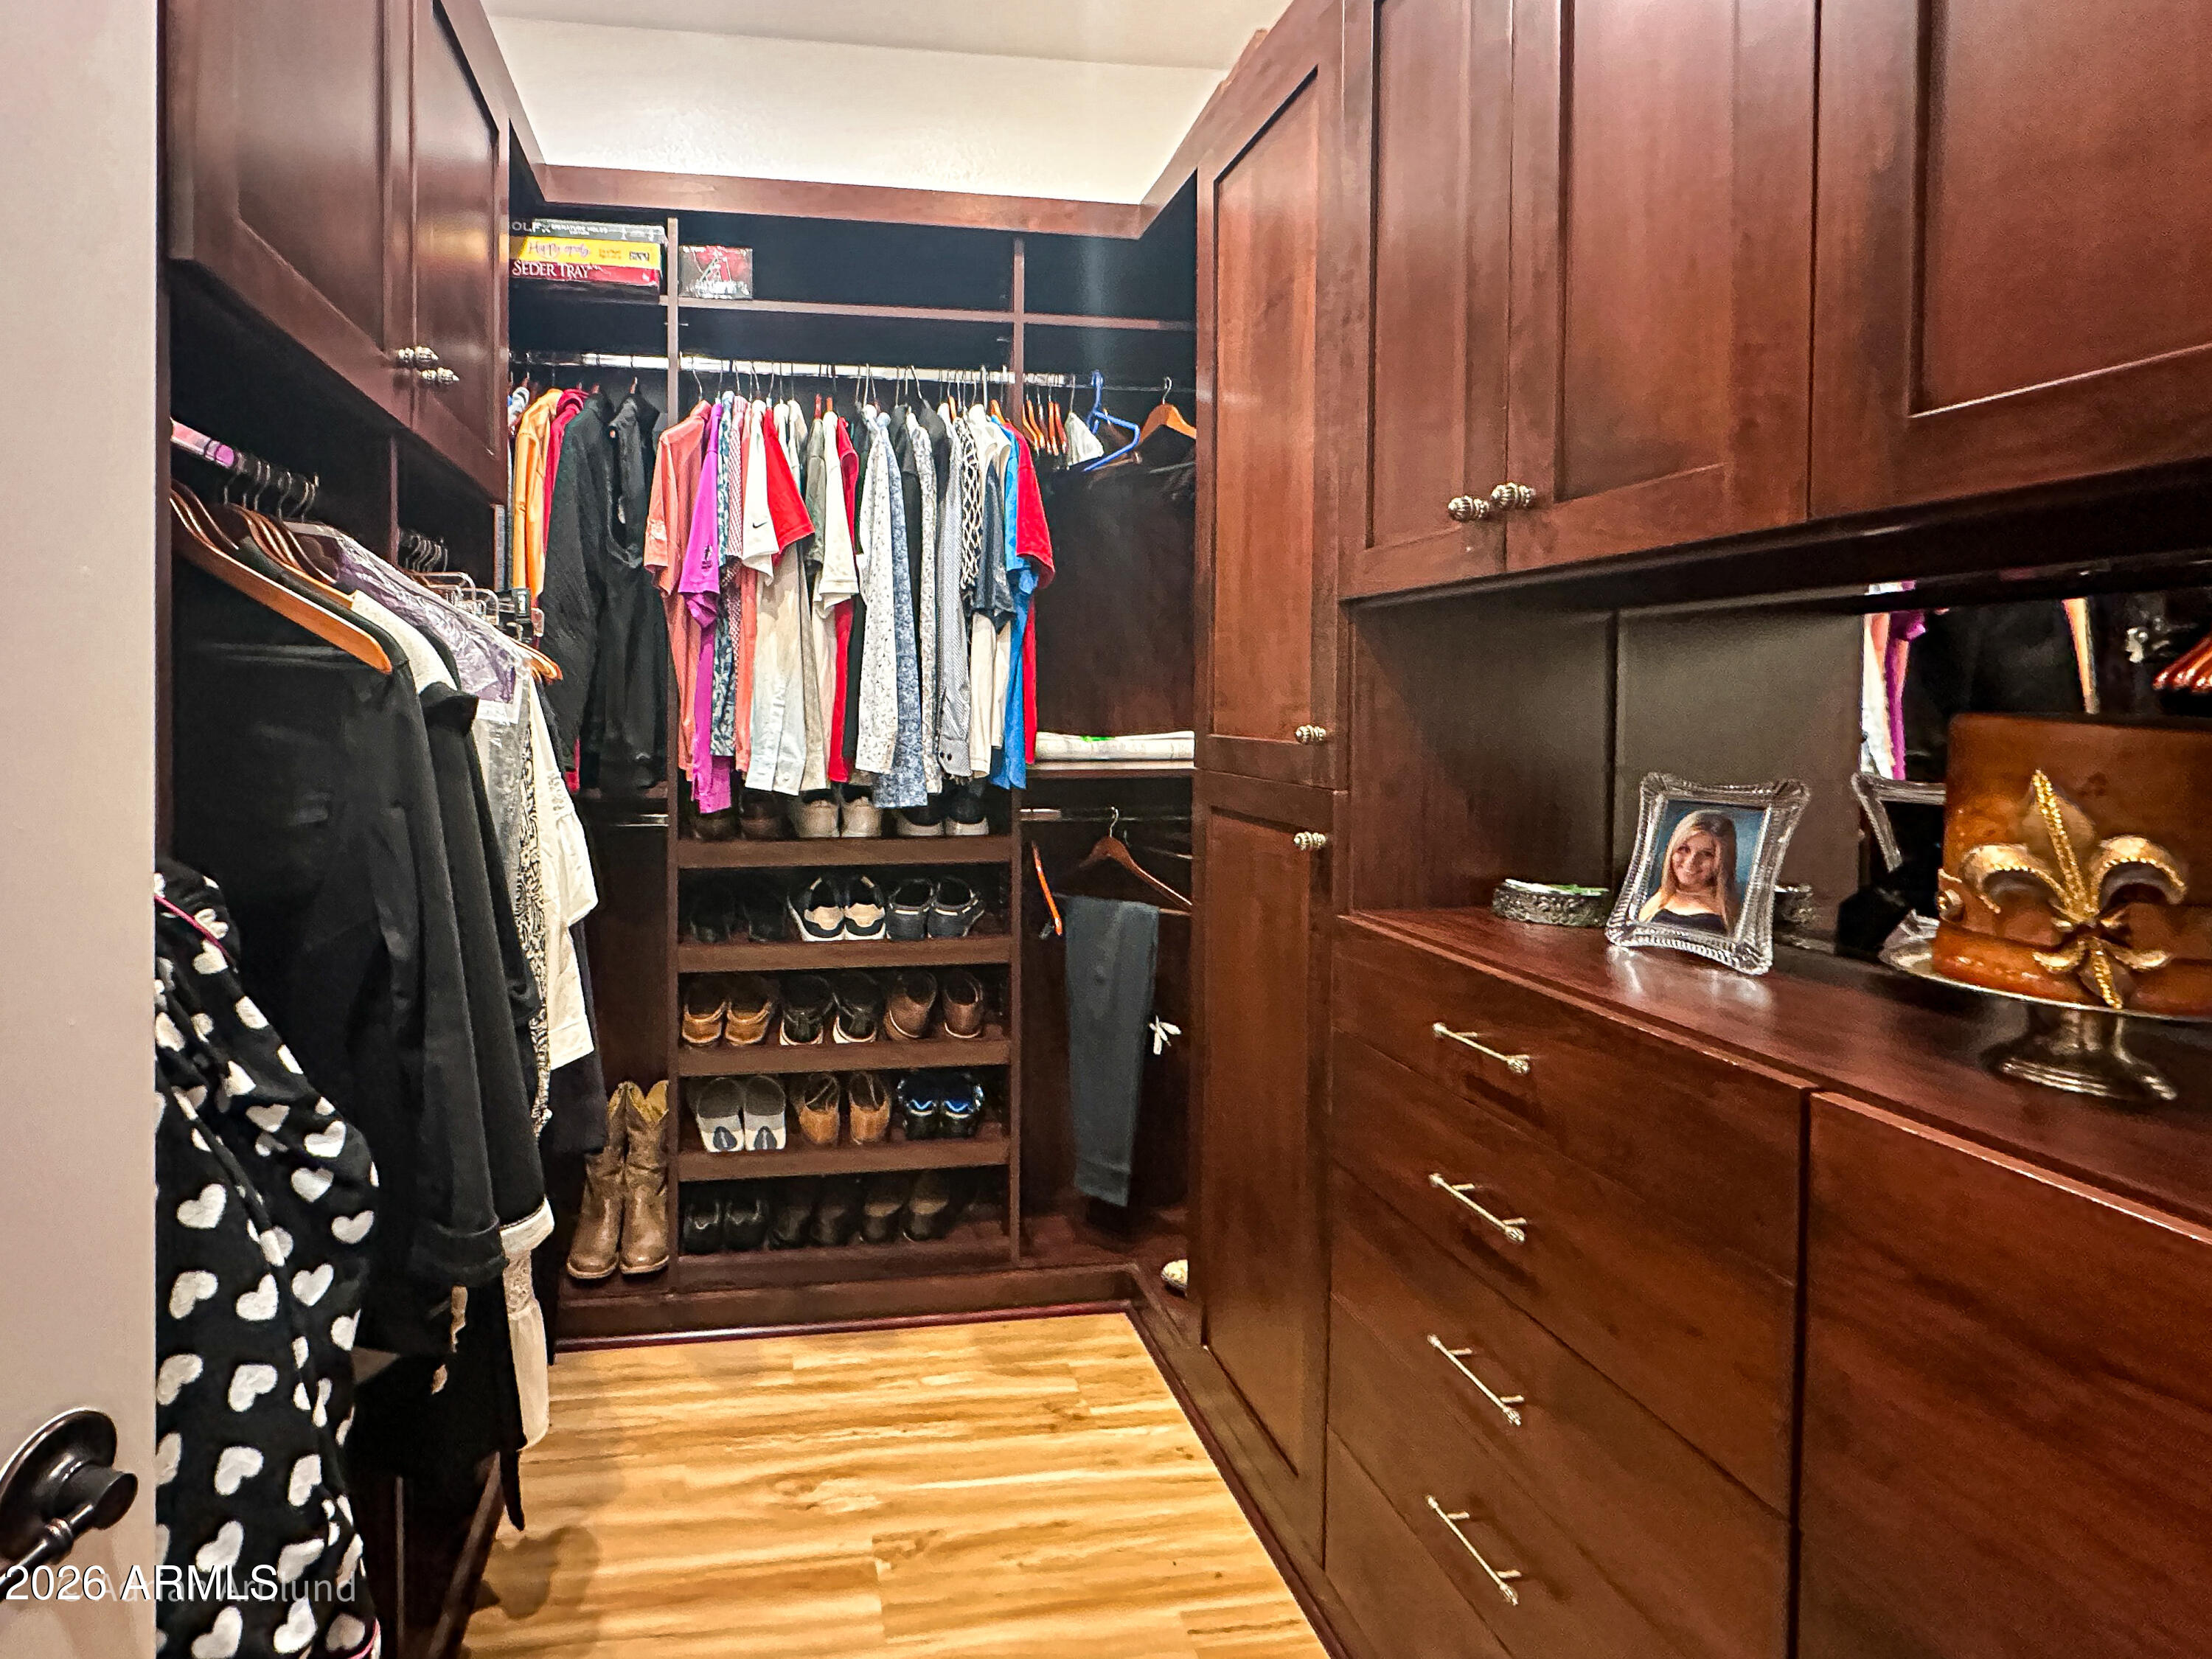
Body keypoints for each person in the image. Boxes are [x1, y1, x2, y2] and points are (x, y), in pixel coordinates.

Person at [1638, 810, 1743, 936]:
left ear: (1723, 862)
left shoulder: (1711, 922)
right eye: (1684, 849)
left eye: (1707, 854)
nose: (1691, 862)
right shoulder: (1661, 898)